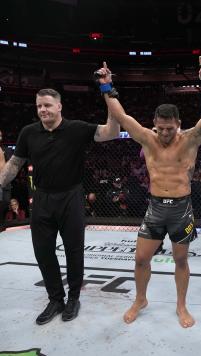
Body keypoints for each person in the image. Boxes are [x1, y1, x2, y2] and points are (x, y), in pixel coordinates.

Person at [95, 57, 201, 328]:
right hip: (155, 208)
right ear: (154, 122)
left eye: (170, 128)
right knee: (141, 259)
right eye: (161, 128)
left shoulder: (189, 139)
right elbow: (121, 116)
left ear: (178, 123)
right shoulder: (147, 137)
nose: (164, 133)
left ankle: (181, 306)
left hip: (181, 209)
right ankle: (140, 299)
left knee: (180, 259)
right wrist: (107, 88)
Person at [0, 88, 120, 324]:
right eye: (39, 106)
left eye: (47, 105)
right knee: (43, 251)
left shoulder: (76, 128)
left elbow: (112, 132)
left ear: (59, 106)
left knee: (74, 250)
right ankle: (56, 298)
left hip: (71, 197)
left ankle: (74, 298)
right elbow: (15, 164)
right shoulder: (29, 132)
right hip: (42, 198)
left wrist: (110, 98)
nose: (42, 110)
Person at [0, 130, 13, 231]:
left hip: (5, 181)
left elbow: (10, 165)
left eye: (0, 135)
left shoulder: (6, 150)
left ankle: (2, 222)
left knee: (6, 201)